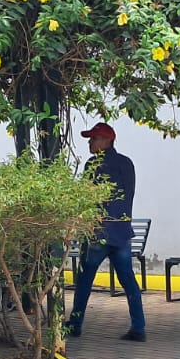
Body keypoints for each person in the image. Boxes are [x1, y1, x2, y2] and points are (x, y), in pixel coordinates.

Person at [66, 122, 146, 342]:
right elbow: (127, 196)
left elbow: (87, 198)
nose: (90, 143)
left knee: (84, 279)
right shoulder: (126, 163)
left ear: (107, 140)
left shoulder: (93, 165)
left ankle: (75, 324)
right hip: (121, 231)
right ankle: (139, 327)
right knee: (128, 280)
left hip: (98, 232)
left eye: (94, 139)